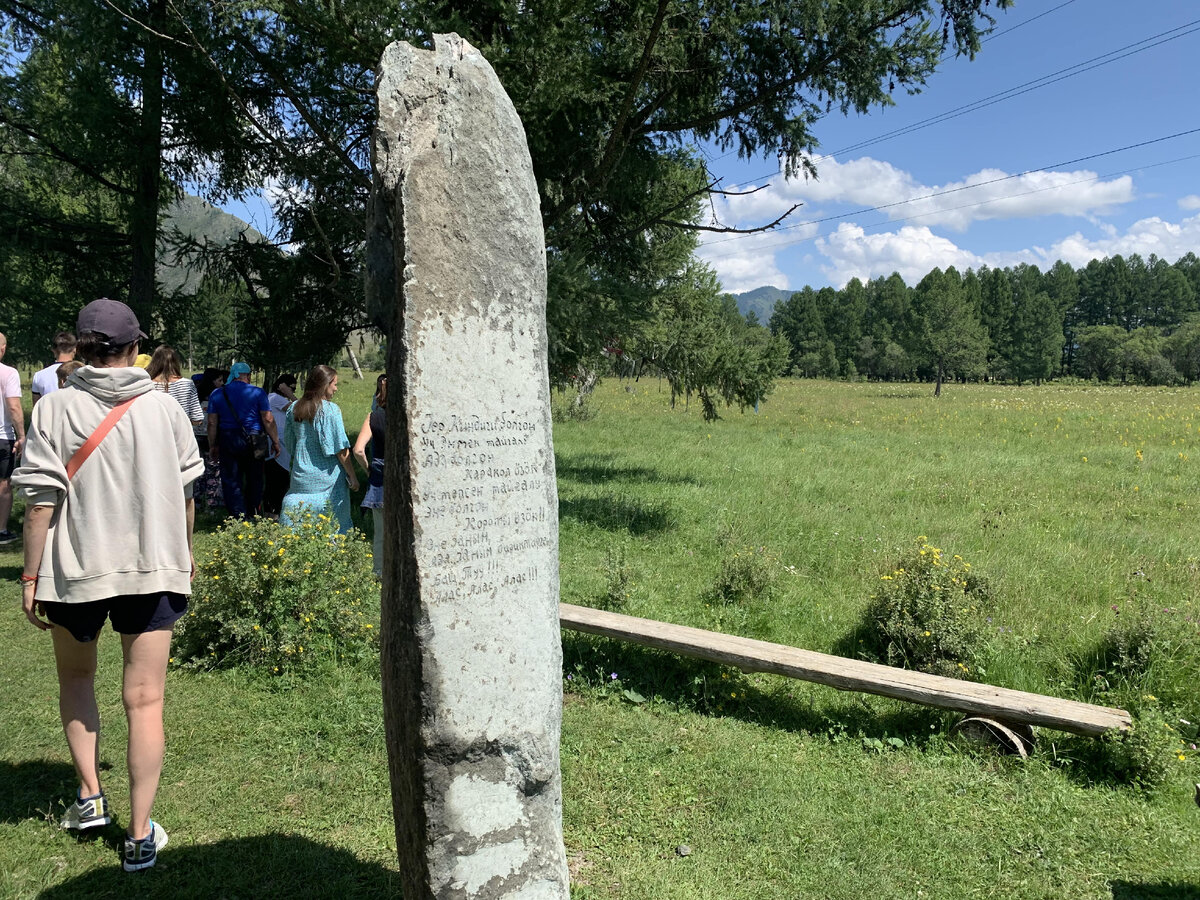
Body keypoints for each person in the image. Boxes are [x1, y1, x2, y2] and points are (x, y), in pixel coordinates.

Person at [14, 297, 203, 873]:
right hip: (153, 566)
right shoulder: (167, 407)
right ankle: (139, 834)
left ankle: (90, 795)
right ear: (134, 345)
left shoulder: (53, 407)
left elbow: (39, 502)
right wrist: (186, 556)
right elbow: (188, 495)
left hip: (75, 569)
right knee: (145, 701)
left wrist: (30, 574)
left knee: (76, 678)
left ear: (81, 344)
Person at [281, 365, 358, 533]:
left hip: (301, 478)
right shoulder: (331, 411)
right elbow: (341, 449)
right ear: (325, 384)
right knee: (333, 526)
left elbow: (289, 443)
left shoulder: (294, 408)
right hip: (329, 481)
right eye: (334, 384)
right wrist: (353, 476)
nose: (336, 389)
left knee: (299, 525)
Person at [206, 362, 279, 519]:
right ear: (248, 375)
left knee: (231, 478)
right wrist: (275, 441)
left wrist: (212, 445)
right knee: (255, 477)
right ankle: (253, 512)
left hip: (228, 438)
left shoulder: (218, 394)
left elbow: (212, 422)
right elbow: (268, 419)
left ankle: (237, 515)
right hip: (255, 438)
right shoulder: (258, 392)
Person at [352, 374, 386, 576]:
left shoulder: (373, 417)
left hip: (380, 478)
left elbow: (358, 450)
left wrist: (368, 470)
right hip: (404, 481)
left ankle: (380, 573)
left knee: (381, 532)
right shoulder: (410, 417)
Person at [0, 332, 26, 544]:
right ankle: (1, 529)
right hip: (2, 435)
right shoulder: (8, 373)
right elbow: (14, 406)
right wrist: (22, 434)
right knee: (4, 484)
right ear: (3, 348)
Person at [262, 373, 298, 516]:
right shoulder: (275, 398)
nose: (293, 392)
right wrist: (288, 393)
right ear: (281, 386)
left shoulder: (275, 398)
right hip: (277, 443)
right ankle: (274, 510)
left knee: (277, 478)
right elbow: (300, 410)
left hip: (281, 442)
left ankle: (272, 510)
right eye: (291, 388)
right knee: (278, 478)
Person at [146, 346, 203, 431]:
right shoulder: (187, 384)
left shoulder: (148, 385)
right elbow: (197, 418)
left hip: (154, 435)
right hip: (181, 437)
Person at [31, 331, 77, 404]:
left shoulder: (39, 376)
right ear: (74, 349)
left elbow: (37, 409)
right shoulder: (82, 373)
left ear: (53, 350)